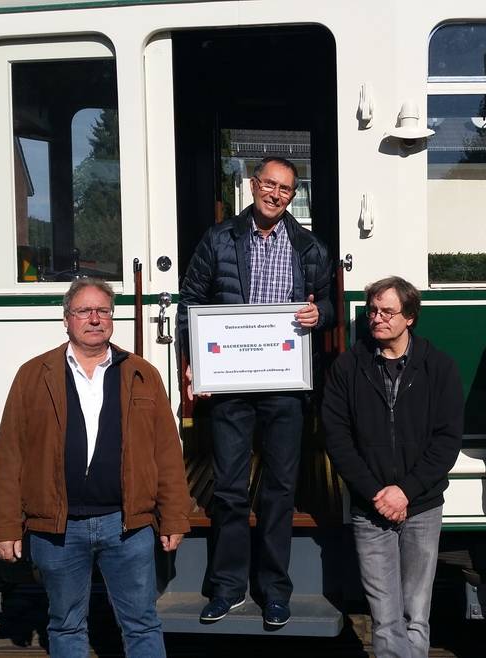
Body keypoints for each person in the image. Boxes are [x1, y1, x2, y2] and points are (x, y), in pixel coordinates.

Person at [0, 278, 191, 658]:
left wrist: (174, 517)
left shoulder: (142, 373)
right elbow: (9, 454)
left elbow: (166, 452)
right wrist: (4, 526)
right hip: (57, 529)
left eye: (102, 311)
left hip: (127, 526)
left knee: (143, 624)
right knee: (65, 625)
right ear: (67, 319)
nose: (94, 319)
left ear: (111, 318)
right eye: (84, 311)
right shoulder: (34, 375)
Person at [176, 156, 333, 625]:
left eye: (285, 189)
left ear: (293, 195)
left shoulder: (308, 247)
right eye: (269, 184)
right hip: (231, 386)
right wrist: (193, 365)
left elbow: (325, 301)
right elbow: (191, 301)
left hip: (285, 386)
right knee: (227, 489)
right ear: (252, 185)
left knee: (281, 489)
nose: (275, 194)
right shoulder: (218, 238)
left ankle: (275, 589)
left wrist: (318, 315)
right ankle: (227, 588)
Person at [322, 276, 463, 658]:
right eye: (372, 311)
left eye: (388, 311)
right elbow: (337, 438)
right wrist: (375, 493)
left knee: (416, 614)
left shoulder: (439, 367)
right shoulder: (347, 368)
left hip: (423, 506)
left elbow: (448, 440)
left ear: (410, 317)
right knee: (385, 617)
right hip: (371, 509)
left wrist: (406, 491)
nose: (377, 318)